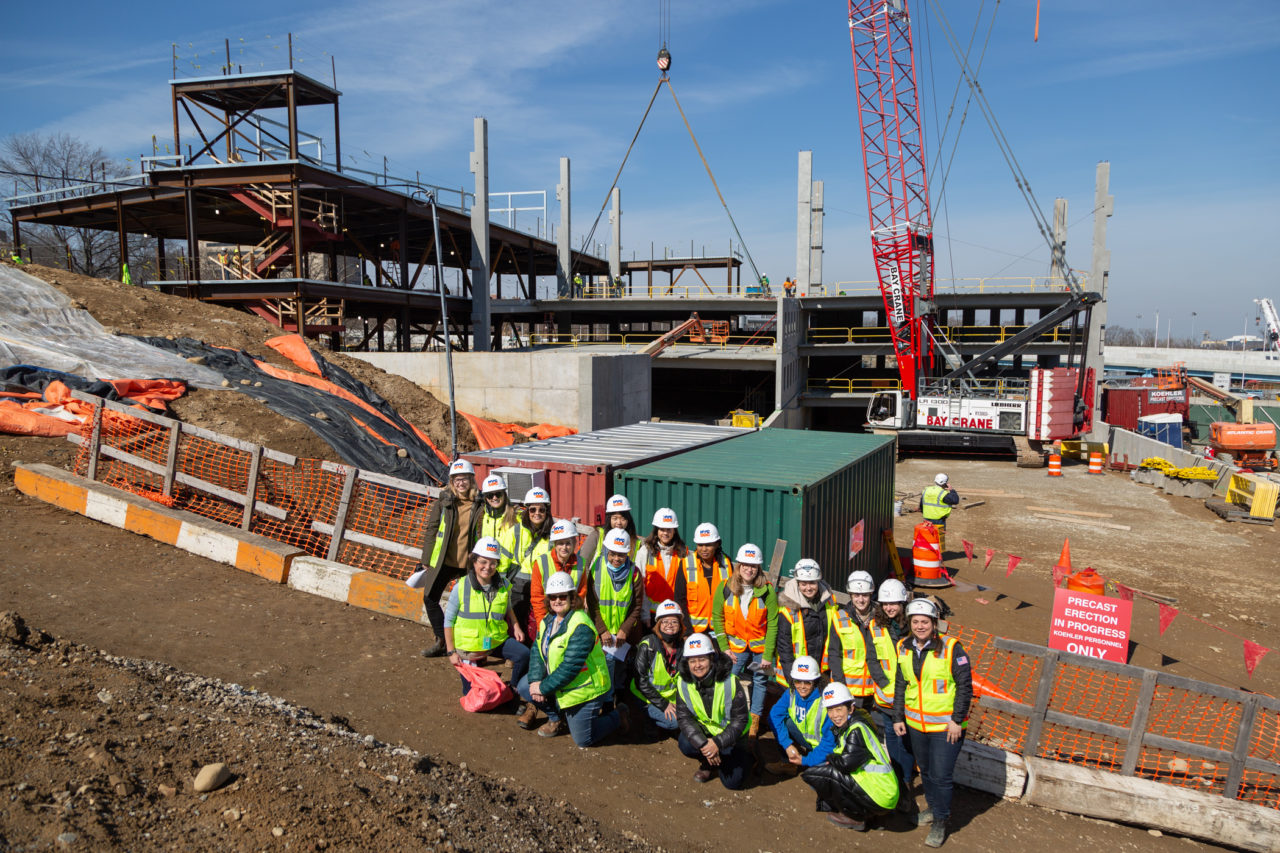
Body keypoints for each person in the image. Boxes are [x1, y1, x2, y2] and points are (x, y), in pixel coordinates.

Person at [893, 598, 973, 848]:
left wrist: (957, 720)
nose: (919, 626)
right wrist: (898, 716)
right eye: (915, 621)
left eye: (924, 622)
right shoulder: (903, 647)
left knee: (941, 776)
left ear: (934, 623)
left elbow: (964, 687)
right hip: (917, 725)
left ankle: (940, 820)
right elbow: (900, 684)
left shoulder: (952, 648)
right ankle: (933, 809)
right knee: (925, 772)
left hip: (945, 728)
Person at [516, 571, 623, 745]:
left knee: (583, 740)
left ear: (572, 597)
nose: (557, 600)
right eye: (553, 597)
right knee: (525, 686)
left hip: (585, 689)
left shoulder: (581, 625)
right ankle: (556, 717)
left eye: (562, 596)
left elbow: (570, 668)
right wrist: (535, 680)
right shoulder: (548, 621)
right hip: (563, 684)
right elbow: (537, 651)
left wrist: (542, 688)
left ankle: (618, 716)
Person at [800, 682, 899, 830]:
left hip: (881, 794)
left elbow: (846, 764)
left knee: (824, 774)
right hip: (882, 791)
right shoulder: (853, 724)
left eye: (839, 710)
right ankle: (869, 813)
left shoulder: (855, 729)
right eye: (830, 710)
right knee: (826, 772)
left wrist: (830, 758)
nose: (834, 715)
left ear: (850, 708)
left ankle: (855, 817)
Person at [443, 537, 529, 700]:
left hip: (495, 639)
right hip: (469, 646)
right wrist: (451, 652)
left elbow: (507, 606)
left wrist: (516, 625)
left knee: (524, 654)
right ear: (474, 561)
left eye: (493, 563)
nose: (487, 567)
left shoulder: (503, 584)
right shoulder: (461, 587)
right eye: (483, 562)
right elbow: (448, 621)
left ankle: (514, 688)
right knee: (476, 696)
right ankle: (492, 684)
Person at [417, 459, 482, 658]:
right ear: (451, 481)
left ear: (471, 480)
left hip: (468, 564)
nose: (461, 483)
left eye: (464, 479)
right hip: (444, 560)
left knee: (470, 605)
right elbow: (432, 528)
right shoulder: (444, 501)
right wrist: (426, 558)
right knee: (430, 598)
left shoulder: (480, 504)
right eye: (457, 479)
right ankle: (441, 640)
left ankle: (470, 645)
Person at [712, 542, 778, 738]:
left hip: (760, 649)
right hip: (735, 647)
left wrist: (768, 655)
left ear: (758, 568)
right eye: (745, 565)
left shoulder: (767, 591)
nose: (749, 569)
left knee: (760, 681)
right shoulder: (724, 588)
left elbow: (773, 623)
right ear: (738, 566)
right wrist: (724, 648)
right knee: (728, 679)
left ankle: (754, 722)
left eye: (754, 566)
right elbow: (717, 618)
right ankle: (728, 716)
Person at [674, 633, 752, 788]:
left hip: (733, 736)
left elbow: (740, 720)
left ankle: (747, 756)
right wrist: (704, 745)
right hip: (707, 733)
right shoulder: (683, 683)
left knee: (733, 783)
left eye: (702, 659)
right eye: (692, 661)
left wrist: (717, 743)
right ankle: (708, 761)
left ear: (712, 659)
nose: (697, 665)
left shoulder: (730, 682)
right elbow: (684, 718)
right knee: (685, 743)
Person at [867, 578, 915, 808]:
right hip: (887, 697)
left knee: (905, 742)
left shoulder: (913, 627)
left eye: (894, 603)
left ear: (903, 602)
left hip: (910, 697)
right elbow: (872, 658)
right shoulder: (875, 626)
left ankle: (906, 783)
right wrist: (885, 683)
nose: (889, 608)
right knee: (892, 740)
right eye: (885, 604)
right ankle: (896, 780)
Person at [587, 528, 644, 705]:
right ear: (606, 551)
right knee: (605, 668)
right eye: (612, 554)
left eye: (621, 555)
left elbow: (636, 606)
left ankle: (618, 701)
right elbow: (592, 604)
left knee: (619, 669)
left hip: (622, 635)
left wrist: (624, 630)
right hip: (601, 633)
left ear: (628, 553)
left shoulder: (634, 573)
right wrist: (602, 630)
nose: (616, 559)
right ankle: (607, 703)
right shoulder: (596, 568)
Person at [528, 519, 599, 638]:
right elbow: (537, 598)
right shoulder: (541, 563)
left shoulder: (580, 563)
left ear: (574, 543)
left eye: (568, 543)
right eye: (560, 543)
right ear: (555, 544)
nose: (564, 547)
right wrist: (543, 626)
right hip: (547, 618)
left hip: (570, 619)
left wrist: (569, 621)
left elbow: (581, 594)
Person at [765, 656, 834, 777]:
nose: (802, 686)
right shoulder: (791, 693)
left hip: (824, 747)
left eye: (807, 682)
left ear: (816, 681)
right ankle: (788, 763)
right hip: (807, 740)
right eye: (797, 681)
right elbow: (774, 715)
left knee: (818, 783)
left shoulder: (827, 701)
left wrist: (806, 760)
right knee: (783, 721)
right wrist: (787, 745)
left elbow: (830, 742)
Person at [774, 558, 834, 688]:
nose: (808, 588)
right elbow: (784, 647)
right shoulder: (788, 608)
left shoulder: (828, 601)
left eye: (812, 583)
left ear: (818, 581)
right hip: (797, 674)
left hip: (820, 671)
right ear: (797, 583)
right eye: (804, 584)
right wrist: (793, 680)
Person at [826, 570, 877, 707]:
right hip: (849, 690)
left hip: (877, 690)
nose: (861, 600)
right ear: (850, 595)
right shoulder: (839, 618)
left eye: (865, 595)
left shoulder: (880, 618)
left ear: (871, 594)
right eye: (856, 595)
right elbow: (834, 654)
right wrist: (840, 686)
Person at [676, 522, 731, 635]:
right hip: (693, 630)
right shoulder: (686, 563)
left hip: (721, 630)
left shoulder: (726, 564)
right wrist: (687, 630)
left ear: (717, 544)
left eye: (708, 544)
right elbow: (679, 599)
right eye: (700, 545)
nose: (704, 549)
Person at [511, 487, 553, 634]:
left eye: (541, 509)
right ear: (527, 510)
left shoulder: (553, 534)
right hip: (518, 585)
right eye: (533, 509)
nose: (537, 513)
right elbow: (504, 557)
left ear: (547, 511)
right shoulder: (516, 530)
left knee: (538, 624)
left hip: (542, 586)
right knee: (517, 624)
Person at [635, 507, 688, 625]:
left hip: (675, 614)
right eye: (662, 529)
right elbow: (640, 586)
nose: (665, 533)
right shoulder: (645, 551)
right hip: (651, 614)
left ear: (674, 530)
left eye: (669, 529)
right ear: (656, 530)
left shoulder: (683, 554)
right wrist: (645, 615)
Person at [475, 474, 523, 576]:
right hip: (485, 572)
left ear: (504, 494)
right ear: (485, 498)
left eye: (498, 494)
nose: (494, 498)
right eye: (490, 495)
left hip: (507, 574)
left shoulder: (516, 518)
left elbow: (521, 549)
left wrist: (511, 574)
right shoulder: (481, 518)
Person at [593, 494, 638, 562]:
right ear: (609, 519)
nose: (619, 522)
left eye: (623, 519)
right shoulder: (597, 535)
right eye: (615, 518)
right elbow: (583, 562)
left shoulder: (636, 543)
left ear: (628, 520)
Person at [921, 473, 960, 552]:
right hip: (939, 521)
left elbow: (921, 504)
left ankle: (928, 556)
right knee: (938, 541)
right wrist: (952, 490)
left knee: (927, 540)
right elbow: (955, 500)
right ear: (945, 483)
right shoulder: (943, 493)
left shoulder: (926, 490)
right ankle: (936, 559)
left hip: (926, 519)